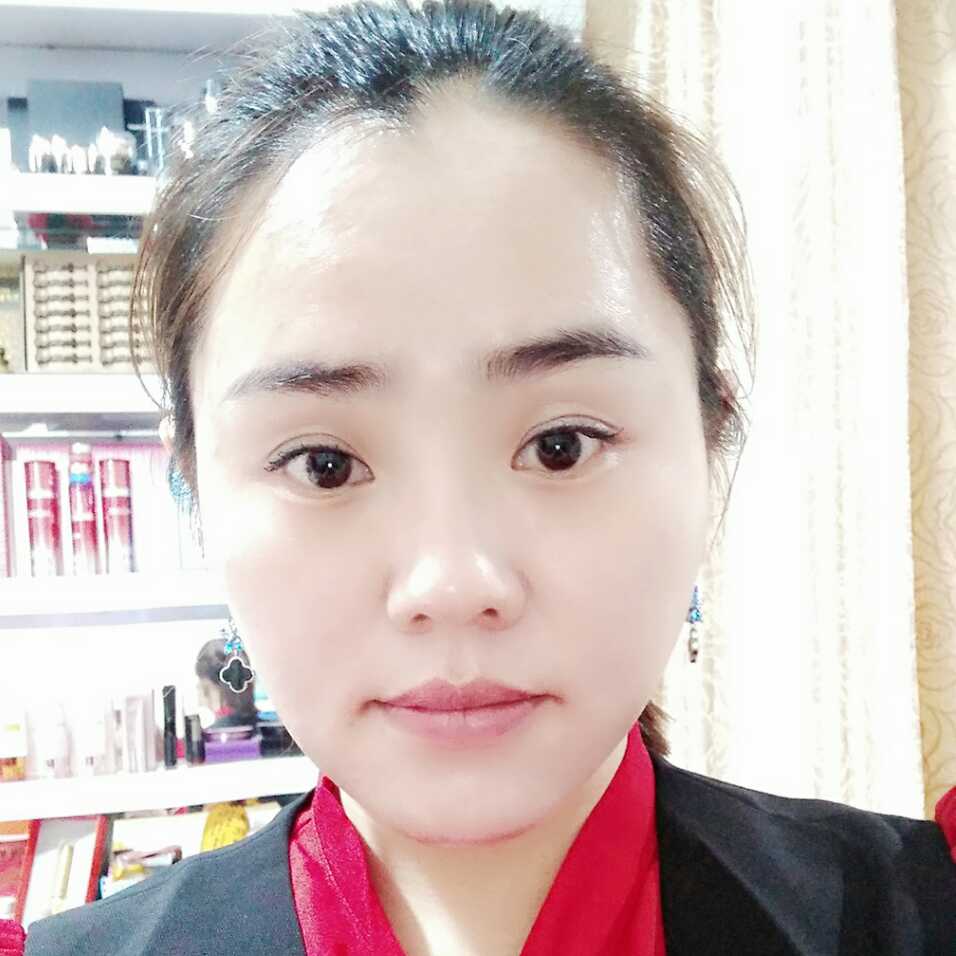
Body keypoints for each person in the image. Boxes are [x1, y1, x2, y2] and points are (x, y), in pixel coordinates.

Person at [9, 1, 954, 953]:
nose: (453, 584)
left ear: (711, 448)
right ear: (196, 496)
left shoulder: (915, 912)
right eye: (325, 465)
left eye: (562, 446)